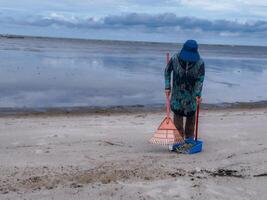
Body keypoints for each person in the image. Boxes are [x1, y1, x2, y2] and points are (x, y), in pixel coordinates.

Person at [164, 40, 205, 139]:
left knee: (191, 116)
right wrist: (167, 86)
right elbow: (167, 71)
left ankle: (190, 138)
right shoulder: (175, 59)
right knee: (177, 115)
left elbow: (200, 79)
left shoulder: (200, 63)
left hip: (191, 95)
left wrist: (198, 94)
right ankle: (178, 138)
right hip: (177, 95)